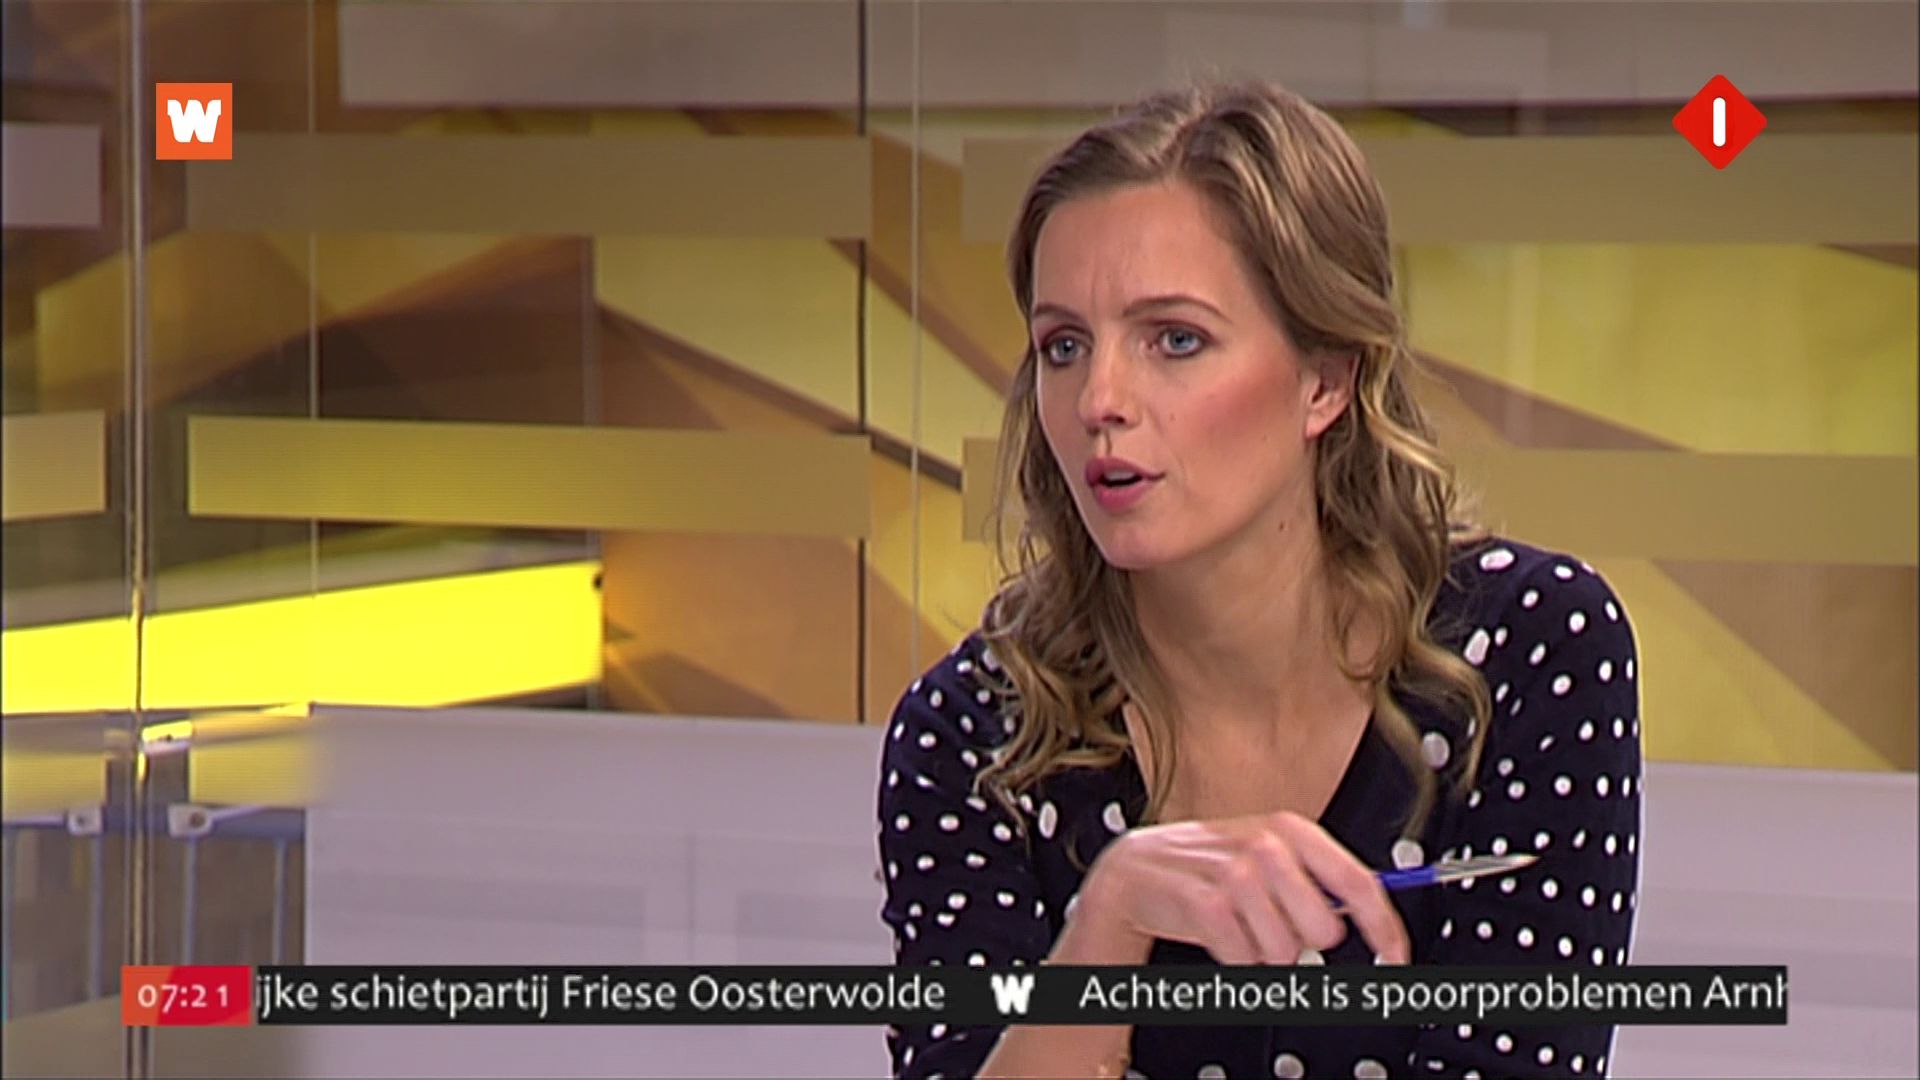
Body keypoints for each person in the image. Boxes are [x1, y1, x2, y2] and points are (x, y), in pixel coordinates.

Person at [875, 81, 1641, 1080]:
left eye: (1175, 340)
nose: (1099, 399)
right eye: (1064, 345)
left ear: (1325, 380)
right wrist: (1110, 920)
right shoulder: (975, 734)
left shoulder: (1531, 649)